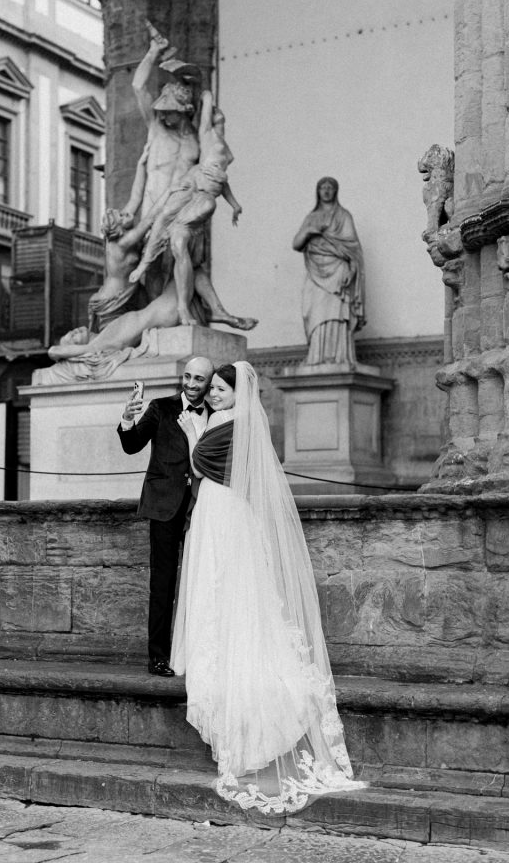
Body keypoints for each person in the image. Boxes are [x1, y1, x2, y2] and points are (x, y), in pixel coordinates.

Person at [172, 362, 363, 813]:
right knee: (212, 585)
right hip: (215, 512)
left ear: (239, 393)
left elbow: (201, 462)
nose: (215, 394)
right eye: (212, 389)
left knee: (230, 587)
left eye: (221, 388)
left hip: (227, 514)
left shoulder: (238, 425)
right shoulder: (223, 422)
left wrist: (192, 434)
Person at [118, 356, 214, 677]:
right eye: (187, 376)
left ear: (209, 382)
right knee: (163, 583)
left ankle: (199, 652)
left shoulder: (216, 414)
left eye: (198, 379)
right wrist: (127, 420)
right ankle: (158, 656)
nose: (190, 383)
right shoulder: (160, 408)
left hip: (204, 507)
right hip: (163, 507)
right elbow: (132, 446)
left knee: (202, 581)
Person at [128, 90, 243, 309]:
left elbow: (221, 182)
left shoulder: (205, 141)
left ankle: (186, 308)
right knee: (161, 238)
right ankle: (151, 284)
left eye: (168, 112)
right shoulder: (194, 134)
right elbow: (139, 85)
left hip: (198, 195)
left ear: (181, 112)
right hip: (172, 192)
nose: (162, 117)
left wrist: (235, 205)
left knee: (184, 250)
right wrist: (204, 92)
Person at [292, 176, 365, 366]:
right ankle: (315, 356)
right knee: (313, 310)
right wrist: (310, 231)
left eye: (330, 187)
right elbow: (296, 244)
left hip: (338, 269)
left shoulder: (343, 216)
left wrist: (351, 268)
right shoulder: (311, 217)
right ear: (317, 191)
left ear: (335, 191)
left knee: (336, 311)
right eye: (322, 187)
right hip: (315, 271)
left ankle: (339, 356)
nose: (326, 191)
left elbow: (353, 247)